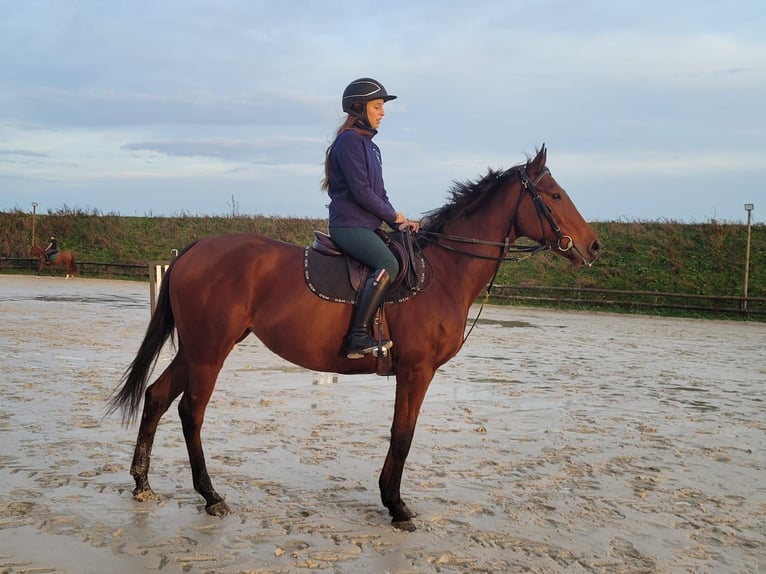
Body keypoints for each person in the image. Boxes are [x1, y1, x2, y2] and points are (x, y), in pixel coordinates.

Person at [321, 77, 419, 359]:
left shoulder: (371, 147)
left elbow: (379, 192)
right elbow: (361, 191)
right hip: (349, 225)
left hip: (368, 224)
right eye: (377, 106)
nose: (382, 112)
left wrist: (397, 220)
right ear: (358, 108)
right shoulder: (349, 141)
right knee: (388, 262)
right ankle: (358, 336)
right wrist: (389, 215)